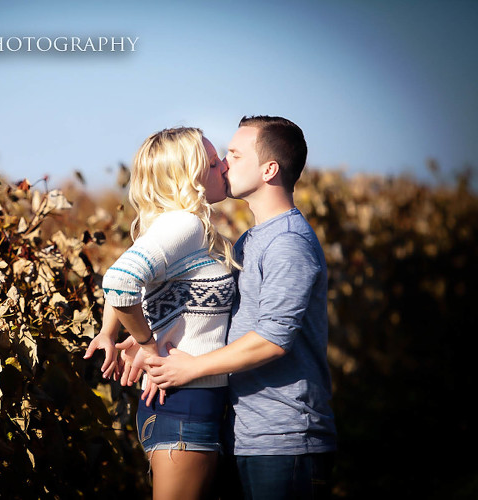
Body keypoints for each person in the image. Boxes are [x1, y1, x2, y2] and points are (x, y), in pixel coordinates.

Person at [145, 116, 338, 499]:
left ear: (269, 169)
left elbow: (273, 339)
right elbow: (211, 312)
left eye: (234, 154)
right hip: (244, 433)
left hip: (286, 439)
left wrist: (191, 368)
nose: (224, 163)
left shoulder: (287, 244)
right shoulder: (251, 240)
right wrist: (148, 342)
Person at [84, 127, 238, 499]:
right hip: (183, 402)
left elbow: (122, 275)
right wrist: (147, 345)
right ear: (189, 177)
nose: (225, 168)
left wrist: (108, 331)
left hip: (186, 402)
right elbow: (121, 281)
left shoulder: (180, 226)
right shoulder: (182, 224)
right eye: (214, 163)